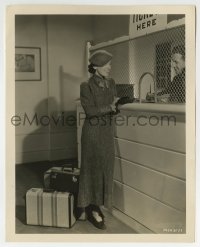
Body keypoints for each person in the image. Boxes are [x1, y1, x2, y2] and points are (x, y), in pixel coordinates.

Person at [77, 50, 119, 230]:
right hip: (92, 133)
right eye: (107, 64)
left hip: (107, 132)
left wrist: (118, 105)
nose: (110, 67)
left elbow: (113, 106)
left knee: (105, 169)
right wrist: (110, 107)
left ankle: (96, 205)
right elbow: (90, 111)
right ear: (97, 67)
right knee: (92, 170)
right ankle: (92, 208)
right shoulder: (86, 85)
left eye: (110, 64)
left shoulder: (112, 83)